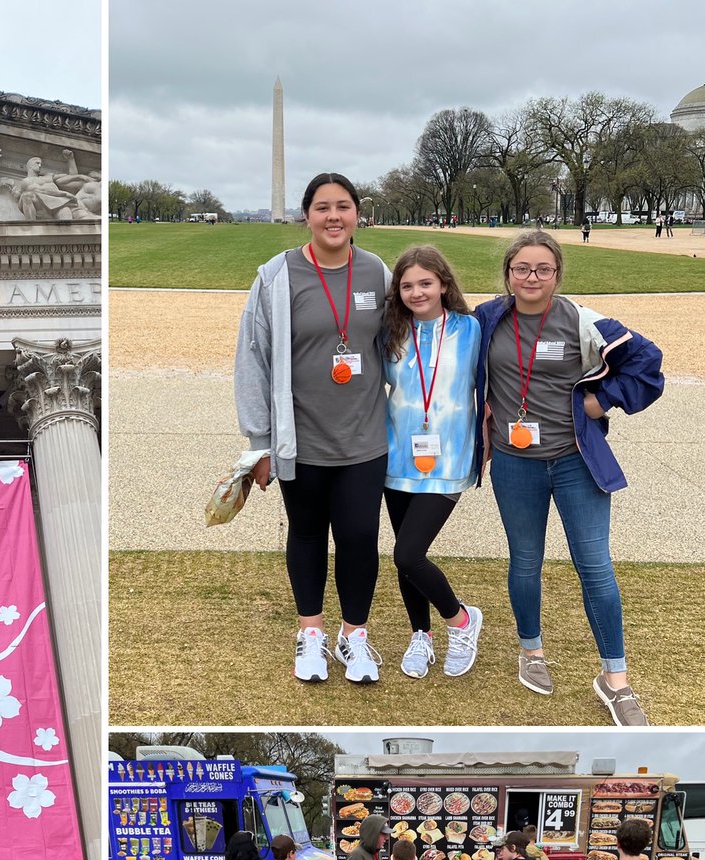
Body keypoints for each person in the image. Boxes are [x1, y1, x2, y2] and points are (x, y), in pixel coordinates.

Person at [473, 231, 664, 724]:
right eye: (521, 269)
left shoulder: (583, 320)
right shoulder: (488, 319)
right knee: (526, 560)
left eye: (542, 269)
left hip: (576, 460)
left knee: (596, 565)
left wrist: (604, 399)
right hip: (516, 463)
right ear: (508, 273)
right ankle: (531, 651)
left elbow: (648, 363)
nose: (531, 277)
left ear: (557, 274)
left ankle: (615, 679)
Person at [235, 172, 393, 685]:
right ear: (307, 214)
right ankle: (311, 634)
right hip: (299, 439)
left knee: (359, 537)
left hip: (365, 436)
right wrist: (259, 442)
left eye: (343, 206)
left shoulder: (377, 273)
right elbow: (253, 359)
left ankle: (354, 637)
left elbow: (402, 347)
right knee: (306, 535)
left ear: (357, 214)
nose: (333, 216)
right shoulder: (276, 275)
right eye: (322, 207)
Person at [382, 245, 483, 679]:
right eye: (407, 285)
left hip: (449, 456)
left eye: (425, 283)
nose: (416, 292)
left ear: (444, 283)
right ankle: (420, 634)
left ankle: (461, 621)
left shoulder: (471, 328)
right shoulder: (390, 333)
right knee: (409, 555)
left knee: (407, 554)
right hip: (397, 453)